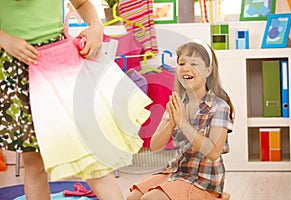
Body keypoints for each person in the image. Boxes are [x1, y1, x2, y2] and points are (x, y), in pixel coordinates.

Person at [0, 1, 126, 200]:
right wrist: (5, 39)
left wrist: (96, 26)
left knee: (91, 155)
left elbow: (82, 2)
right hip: (17, 67)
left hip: (59, 63)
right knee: (34, 161)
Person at [127, 41, 235, 200]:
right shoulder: (178, 103)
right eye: (181, 63)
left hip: (204, 180)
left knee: (150, 199)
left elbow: (213, 153)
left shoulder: (219, 107)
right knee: (133, 197)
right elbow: (155, 145)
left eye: (194, 63)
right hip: (176, 171)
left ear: (208, 71)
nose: (186, 67)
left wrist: (182, 122)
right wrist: (171, 122)